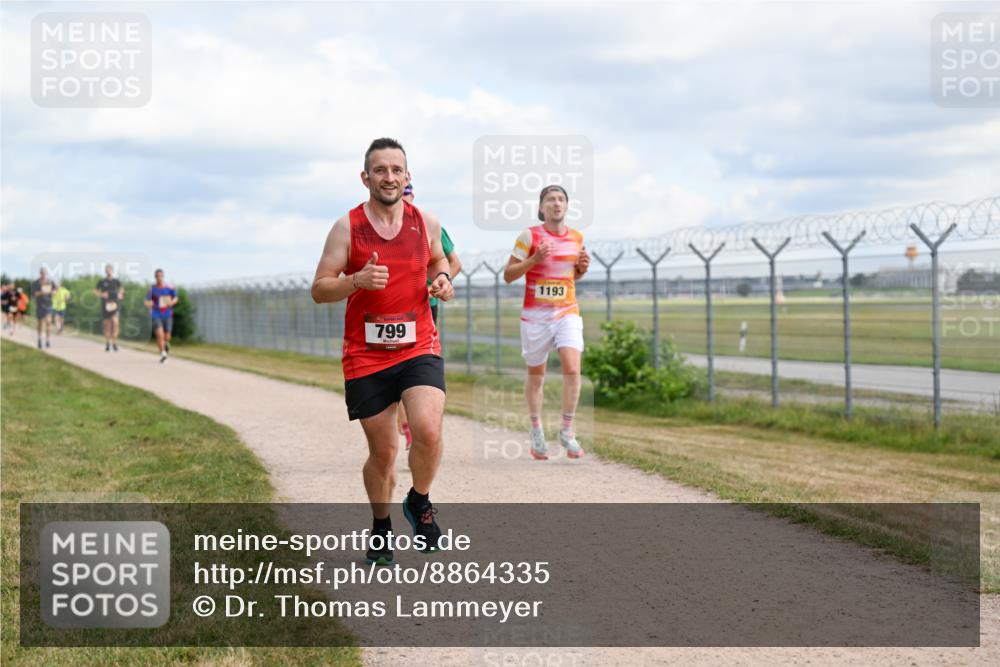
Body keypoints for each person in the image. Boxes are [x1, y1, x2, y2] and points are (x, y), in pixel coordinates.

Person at [311, 138, 454, 565]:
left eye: (397, 170)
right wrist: (355, 281)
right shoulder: (346, 227)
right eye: (380, 170)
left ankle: (419, 501)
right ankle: (381, 525)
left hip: (418, 346)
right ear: (365, 177)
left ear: (407, 177)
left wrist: (443, 279)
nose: (389, 177)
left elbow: (438, 262)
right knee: (385, 451)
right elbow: (320, 288)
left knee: (427, 431)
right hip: (366, 355)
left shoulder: (424, 222)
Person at [503, 184, 589, 460]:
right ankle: (537, 429)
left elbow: (568, 278)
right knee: (536, 376)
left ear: (567, 205)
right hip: (535, 318)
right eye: (550, 199)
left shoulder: (577, 237)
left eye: (561, 199)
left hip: (567, 312)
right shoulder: (529, 236)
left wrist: (581, 269)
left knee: (572, 369)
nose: (556, 203)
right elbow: (508, 275)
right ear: (541, 208)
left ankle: (566, 429)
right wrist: (535, 259)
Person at [396, 181, 462, 450]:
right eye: (402, 193)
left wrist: (440, 283)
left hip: (425, 308)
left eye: (409, 192)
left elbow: (454, 263)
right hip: (391, 312)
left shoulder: (430, 225)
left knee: (418, 367)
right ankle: (406, 427)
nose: (406, 197)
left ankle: (418, 425)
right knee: (395, 370)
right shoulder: (381, 229)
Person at [145, 269, 178, 363]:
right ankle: (163, 353)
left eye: (161, 276)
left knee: (167, 336)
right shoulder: (152, 289)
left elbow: (175, 297)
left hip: (167, 314)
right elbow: (146, 301)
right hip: (156, 313)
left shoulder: (169, 288)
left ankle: (166, 344)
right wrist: (149, 303)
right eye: (157, 276)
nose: (159, 278)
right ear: (155, 277)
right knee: (160, 334)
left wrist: (172, 302)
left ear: (163, 276)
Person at [94, 264, 124, 352]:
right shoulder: (102, 281)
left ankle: (114, 343)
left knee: (115, 323)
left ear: (112, 271)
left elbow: (121, 289)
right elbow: (95, 291)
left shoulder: (116, 281)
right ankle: (107, 343)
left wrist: (120, 294)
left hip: (115, 305)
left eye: (110, 270)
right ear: (105, 271)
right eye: (107, 270)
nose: (108, 271)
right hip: (105, 305)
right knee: (107, 325)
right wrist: (101, 294)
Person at [31, 268, 56, 349]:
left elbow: (55, 291)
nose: (44, 274)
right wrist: (42, 292)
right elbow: (34, 295)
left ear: (47, 273)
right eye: (42, 273)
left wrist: (52, 292)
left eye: (45, 273)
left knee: (48, 322)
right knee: (40, 323)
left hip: (49, 305)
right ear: (40, 273)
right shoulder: (36, 283)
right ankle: (39, 339)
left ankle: (48, 340)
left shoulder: (50, 282)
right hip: (40, 305)